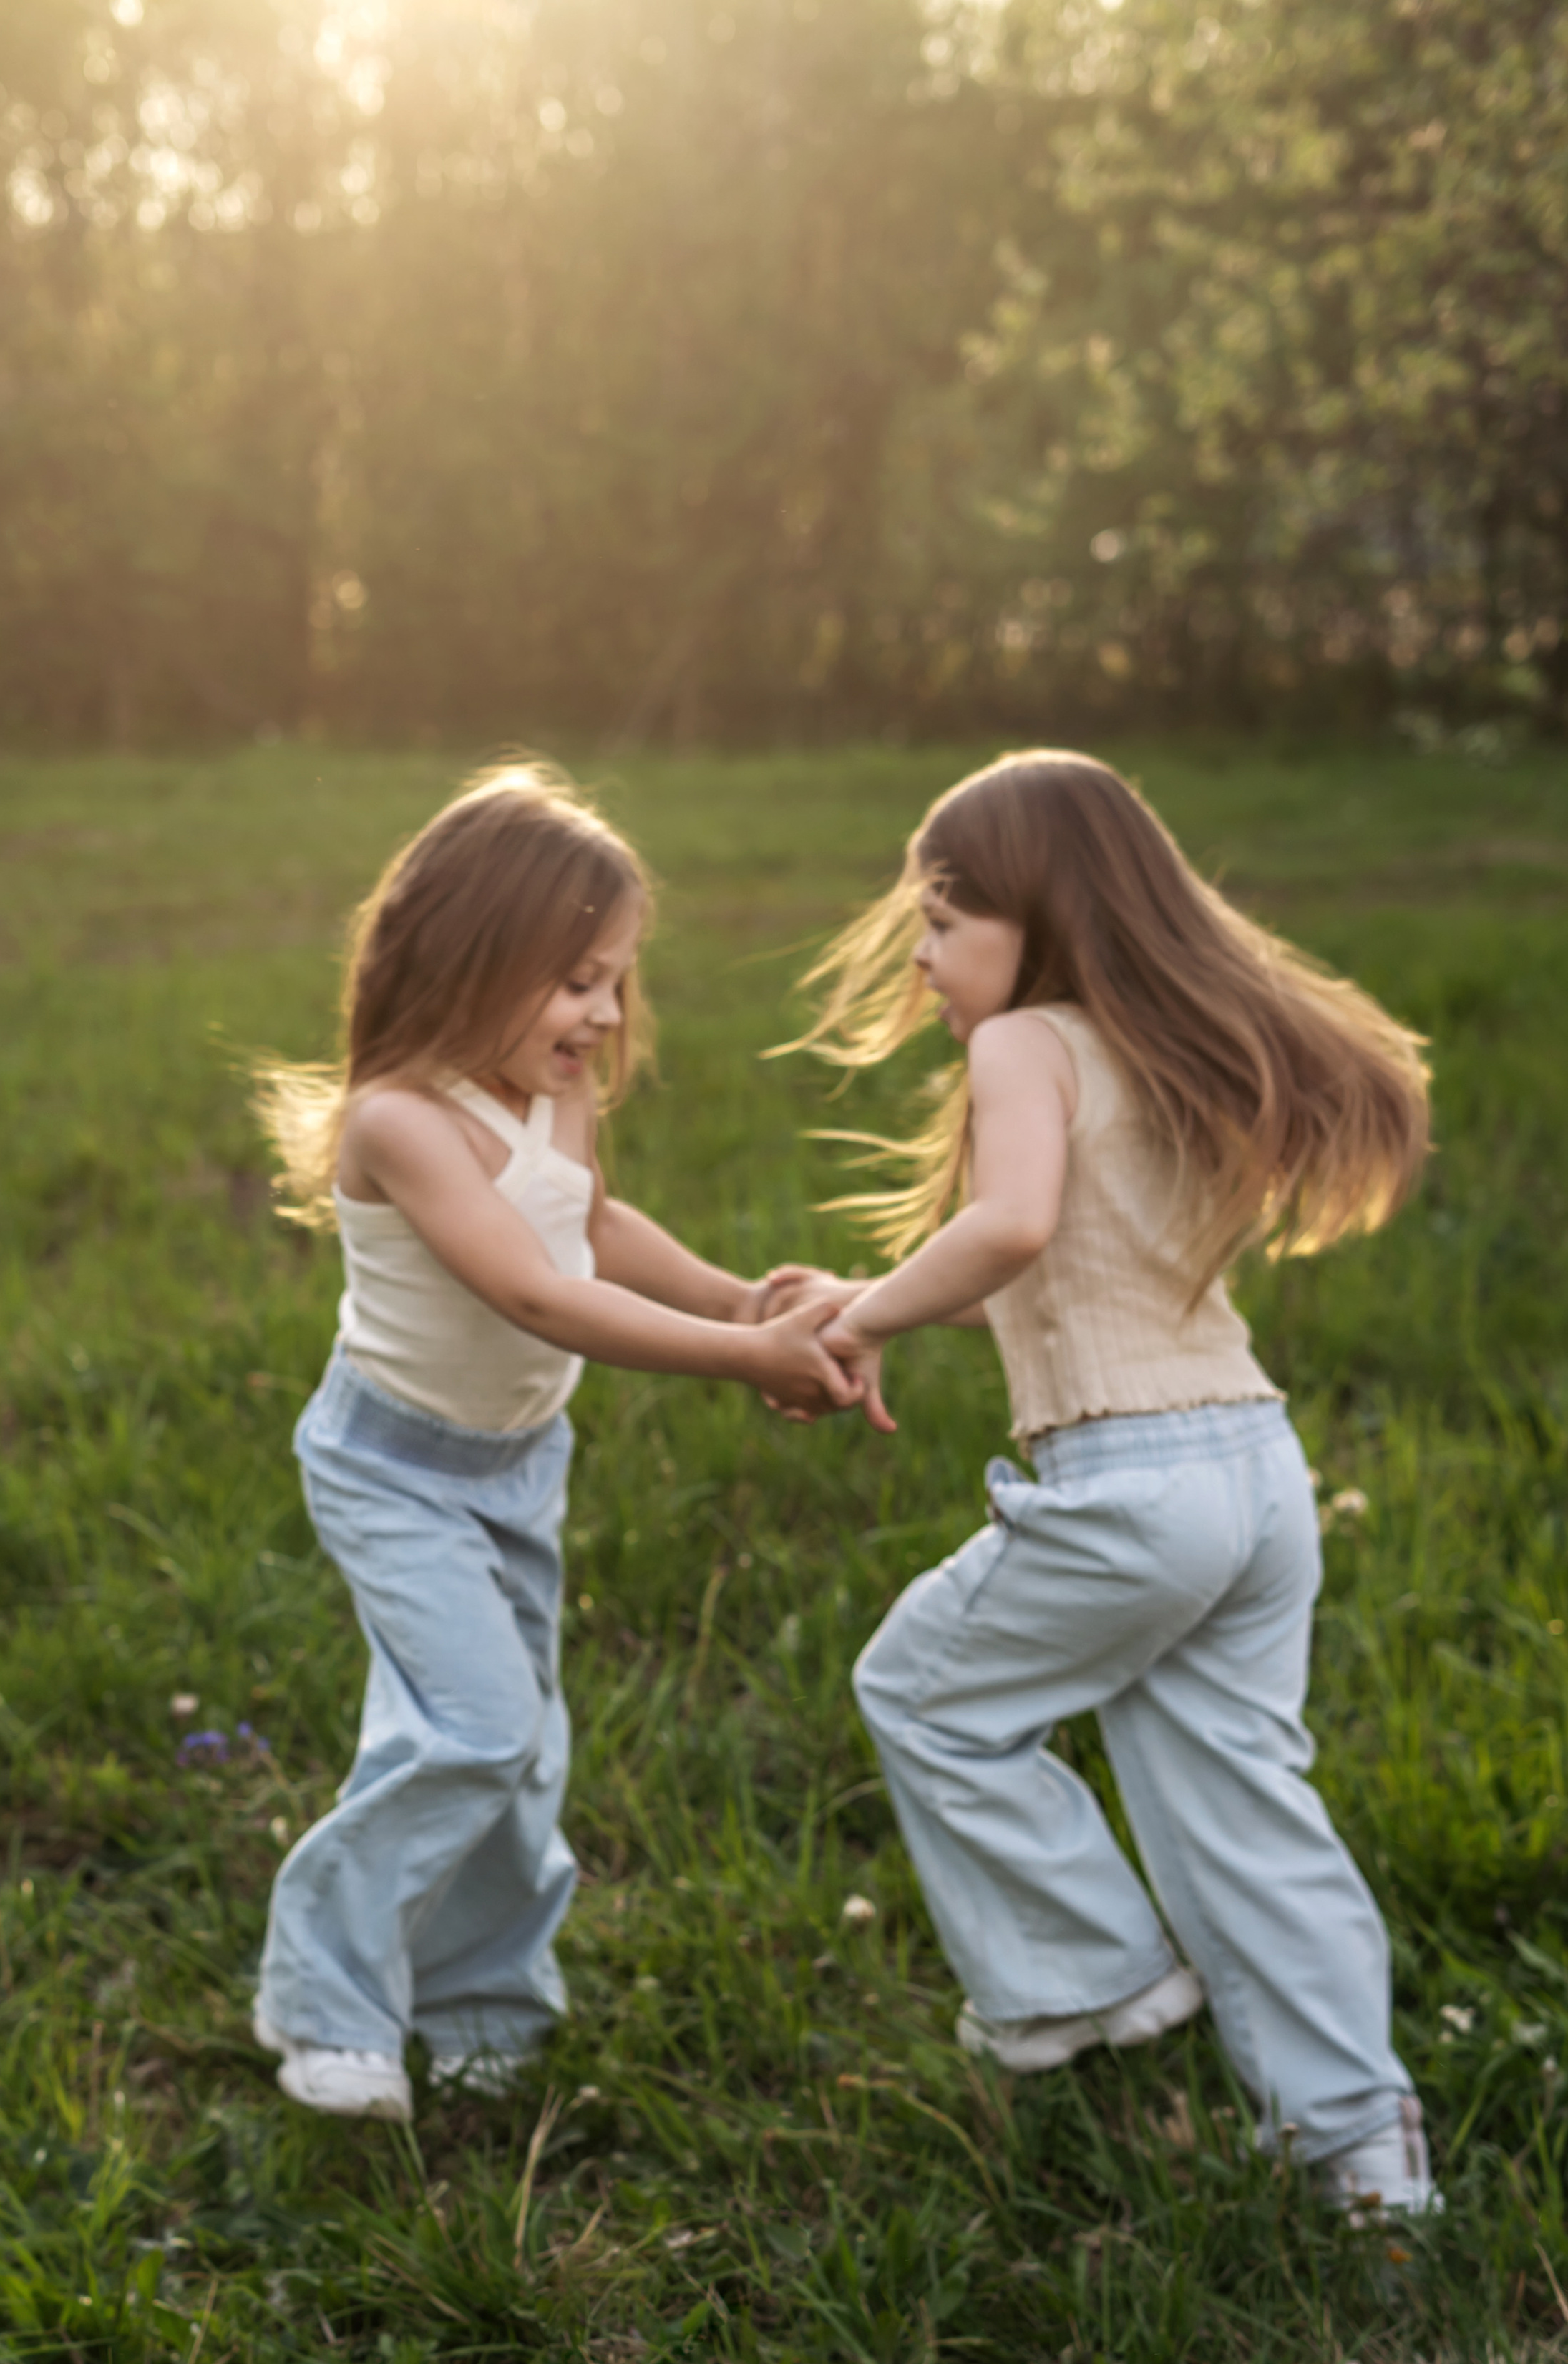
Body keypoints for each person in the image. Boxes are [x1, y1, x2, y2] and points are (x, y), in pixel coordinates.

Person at [796, 749, 1438, 2218]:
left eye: (944, 919)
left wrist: (859, 1318)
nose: (919, 953)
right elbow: (1047, 1267)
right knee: (1244, 1814)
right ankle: (1362, 2157)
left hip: (1128, 1491)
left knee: (918, 1693)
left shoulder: (1022, 1047)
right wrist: (876, 1287)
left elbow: (1010, 1226)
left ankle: (1093, 1978)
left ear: (1036, 918)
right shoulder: (1150, 1039)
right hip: (1255, 1478)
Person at [250, 763, 855, 2124]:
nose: (604, 1012)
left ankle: (480, 2005)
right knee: (474, 1725)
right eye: (576, 978)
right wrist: (741, 1359)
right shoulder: (402, 1120)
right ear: (474, 956)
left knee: (523, 1751)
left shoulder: (550, 1094)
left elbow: (584, 1224)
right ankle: (321, 1997)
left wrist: (739, 1296)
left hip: (516, 1466)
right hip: (393, 1465)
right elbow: (530, 1290)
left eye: (616, 979)